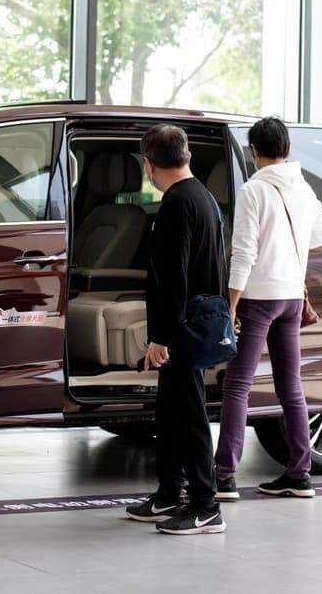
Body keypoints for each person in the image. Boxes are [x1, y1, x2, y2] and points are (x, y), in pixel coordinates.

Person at [214, 116, 322, 500]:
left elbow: (243, 253)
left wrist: (231, 304)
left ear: (253, 150)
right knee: (291, 387)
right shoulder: (302, 186)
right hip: (292, 297)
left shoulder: (253, 190)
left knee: (237, 385)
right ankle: (299, 474)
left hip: (257, 298)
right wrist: (287, 247)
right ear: (288, 149)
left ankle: (224, 476)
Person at [124, 124, 228, 535]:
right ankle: (170, 492)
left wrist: (161, 338)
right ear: (187, 156)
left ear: (149, 165)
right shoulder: (203, 197)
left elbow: (172, 278)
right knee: (170, 411)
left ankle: (206, 505)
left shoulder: (175, 205)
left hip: (182, 327)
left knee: (189, 414)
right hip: (200, 320)